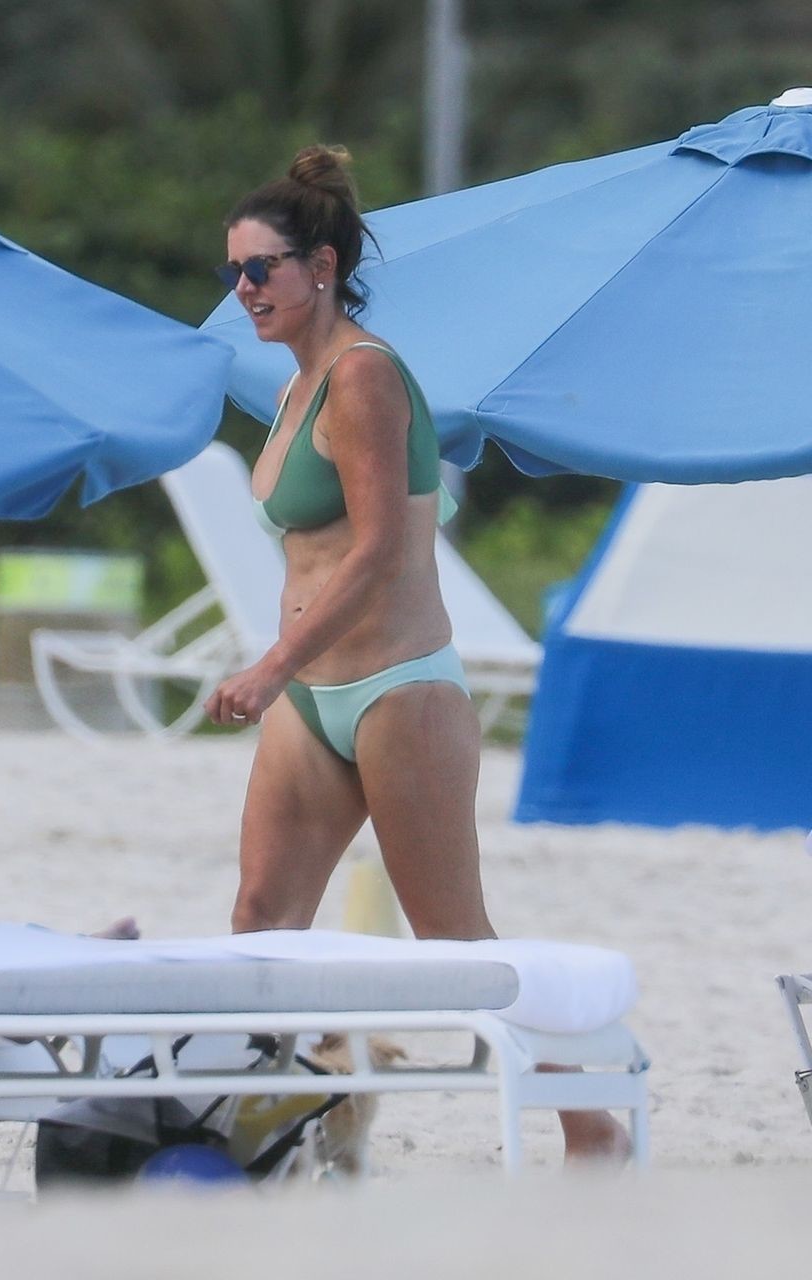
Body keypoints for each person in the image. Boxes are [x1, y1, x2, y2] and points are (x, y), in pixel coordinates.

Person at [203, 146, 628, 1164]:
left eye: (261, 268)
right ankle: (239, 1126)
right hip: (315, 698)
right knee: (260, 916)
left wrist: (269, 663)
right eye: (234, 271)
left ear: (323, 267)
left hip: (400, 689)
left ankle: (591, 1128)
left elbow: (383, 550)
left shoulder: (364, 376)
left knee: (452, 939)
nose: (245, 289)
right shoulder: (294, 387)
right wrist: (289, 672)